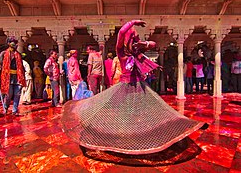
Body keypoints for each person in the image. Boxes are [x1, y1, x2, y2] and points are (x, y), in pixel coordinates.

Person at [62, 20, 205, 155]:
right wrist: (132, 23)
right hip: (125, 87)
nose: (134, 42)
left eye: (135, 39)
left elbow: (153, 44)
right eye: (132, 39)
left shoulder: (137, 54)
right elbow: (121, 34)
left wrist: (142, 43)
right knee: (124, 113)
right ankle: (123, 136)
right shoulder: (121, 53)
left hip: (139, 88)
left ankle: (139, 135)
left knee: (140, 113)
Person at [0, 36, 26, 115]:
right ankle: (6, 106)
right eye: (12, 42)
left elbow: (21, 67)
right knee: (9, 94)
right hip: (7, 77)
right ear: (8, 43)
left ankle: (14, 110)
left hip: (17, 77)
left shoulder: (18, 54)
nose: (14, 44)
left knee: (17, 94)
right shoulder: (3, 54)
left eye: (15, 42)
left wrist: (23, 77)